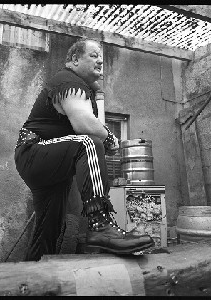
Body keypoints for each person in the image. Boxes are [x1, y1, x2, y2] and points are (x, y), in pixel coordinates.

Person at [14, 38, 154, 261]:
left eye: (101, 57)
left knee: (49, 229)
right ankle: (101, 225)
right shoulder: (68, 80)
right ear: (74, 59)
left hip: (48, 161)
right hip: (34, 151)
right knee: (89, 143)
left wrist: (102, 133)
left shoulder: (84, 89)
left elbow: (87, 124)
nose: (100, 60)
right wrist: (108, 137)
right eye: (93, 55)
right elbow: (84, 124)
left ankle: (36, 274)